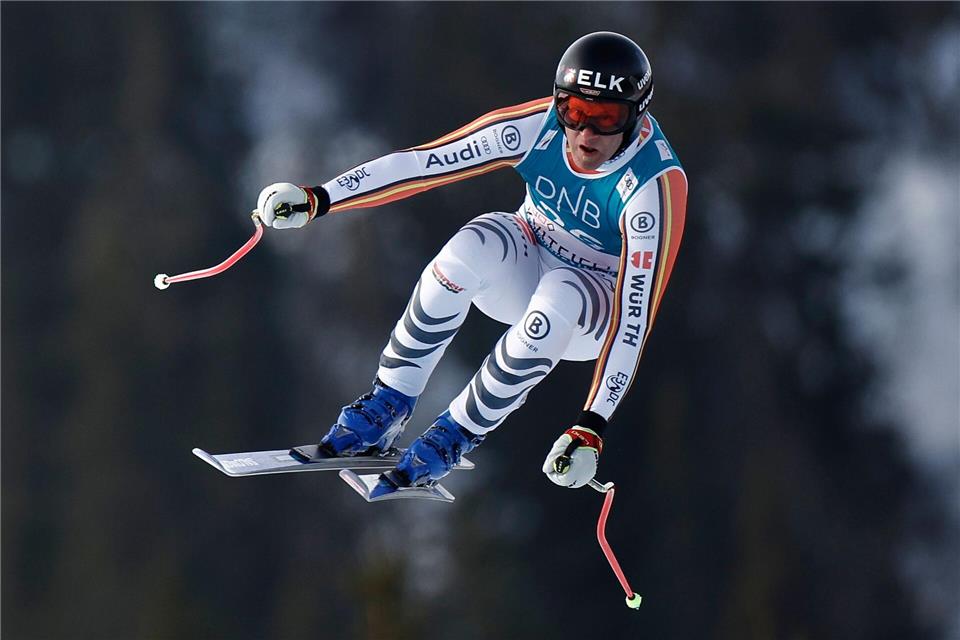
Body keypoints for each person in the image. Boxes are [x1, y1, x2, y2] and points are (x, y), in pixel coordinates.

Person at [256, 31, 688, 498]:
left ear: (637, 116)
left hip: (590, 309)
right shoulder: (534, 127)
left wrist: (591, 425)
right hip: (527, 259)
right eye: (575, 113)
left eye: (606, 119)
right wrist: (318, 199)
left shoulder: (653, 188)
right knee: (474, 242)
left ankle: (454, 435)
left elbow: (632, 318)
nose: (585, 135)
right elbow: (425, 163)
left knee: (561, 289)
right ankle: (388, 402)